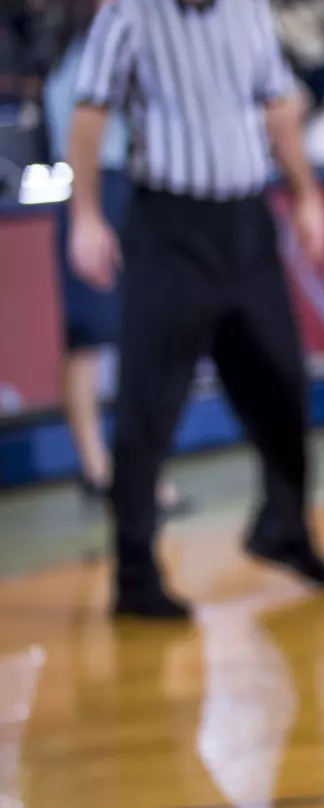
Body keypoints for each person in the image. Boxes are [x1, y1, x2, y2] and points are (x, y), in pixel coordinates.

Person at [67, 0, 324, 620]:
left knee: (283, 380)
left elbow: (278, 105)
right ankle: (135, 574)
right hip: (169, 227)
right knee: (148, 405)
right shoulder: (130, 13)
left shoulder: (249, 11)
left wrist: (306, 195)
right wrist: (84, 215)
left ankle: (284, 527)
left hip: (247, 221)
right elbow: (90, 110)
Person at [40, 0, 183, 513]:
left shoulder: (103, 47)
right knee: (92, 335)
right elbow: (80, 135)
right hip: (97, 192)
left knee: (125, 337)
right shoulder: (83, 54)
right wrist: (88, 213)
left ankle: (126, 467)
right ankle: (102, 466)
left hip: (120, 190)